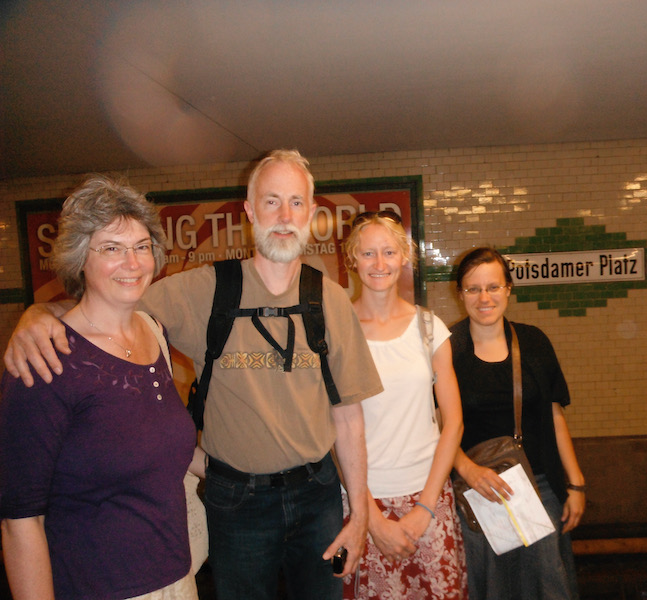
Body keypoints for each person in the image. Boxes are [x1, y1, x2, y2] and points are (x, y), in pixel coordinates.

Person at [3, 150, 383, 600]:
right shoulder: (202, 289)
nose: (284, 216)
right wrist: (38, 314)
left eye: (296, 203)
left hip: (317, 493)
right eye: (271, 201)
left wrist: (360, 514)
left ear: (312, 213)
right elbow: (108, 304)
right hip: (236, 502)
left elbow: (349, 416)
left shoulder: (332, 300)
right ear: (249, 211)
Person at [0, 175, 204, 600]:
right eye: (112, 248)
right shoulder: (45, 360)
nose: (132, 263)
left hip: (178, 579)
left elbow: (161, 446)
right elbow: (19, 519)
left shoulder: (153, 332)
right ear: (79, 259)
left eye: (141, 246)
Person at [338, 211, 468, 599]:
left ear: (404, 258)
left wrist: (425, 509)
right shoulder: (337, 331)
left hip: (428, 499)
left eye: (389, 252)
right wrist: (372, 519)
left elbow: (454, 423)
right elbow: (330, 431)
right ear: (352, 260)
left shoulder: (430, 329)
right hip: (360, 500)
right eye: (368, 254)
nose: (380, 264)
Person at [450, 247, 585, 600]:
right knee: (490, 588)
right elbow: (432, 425)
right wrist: (468, 470)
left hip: (537, 486)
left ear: (508, 289)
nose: (484, 298)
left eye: (493, 287)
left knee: (547, 586)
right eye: (473, 289)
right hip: (477, 492)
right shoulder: (446, 350)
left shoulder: (534, 342)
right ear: (460, 293)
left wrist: (575, 483)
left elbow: (554, 414)